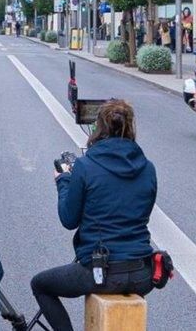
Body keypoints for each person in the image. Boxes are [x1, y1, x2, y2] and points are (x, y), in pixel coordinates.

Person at [30, 101, 158, 331]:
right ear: (131, 128)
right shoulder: (148, 168)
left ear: (98, 128)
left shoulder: (85, 166)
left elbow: (69, 220)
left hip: (102, 273)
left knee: (40, 285)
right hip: (142, 273)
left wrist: (63, 181)